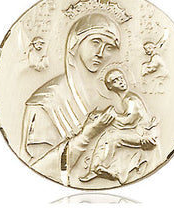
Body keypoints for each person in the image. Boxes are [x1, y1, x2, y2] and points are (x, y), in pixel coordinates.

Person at [20, 13, 123, 186]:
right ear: (75, 44)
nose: (100, 53)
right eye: (95, 42)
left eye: (109, 47)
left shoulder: (115, 94)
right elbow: (38, 169)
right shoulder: (45, 103)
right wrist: (87, 135)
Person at [80, 68, 158, 184]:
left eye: (121, 78)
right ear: (110, 87)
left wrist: (109, 117)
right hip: (136, 133)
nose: (120, 81)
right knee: (108, 135)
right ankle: (99, 168)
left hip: (144, 135)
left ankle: (98, 168)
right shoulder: (125, 100)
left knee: (111, 136)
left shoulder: (131, 99)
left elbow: (128, 121)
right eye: (115, 80)